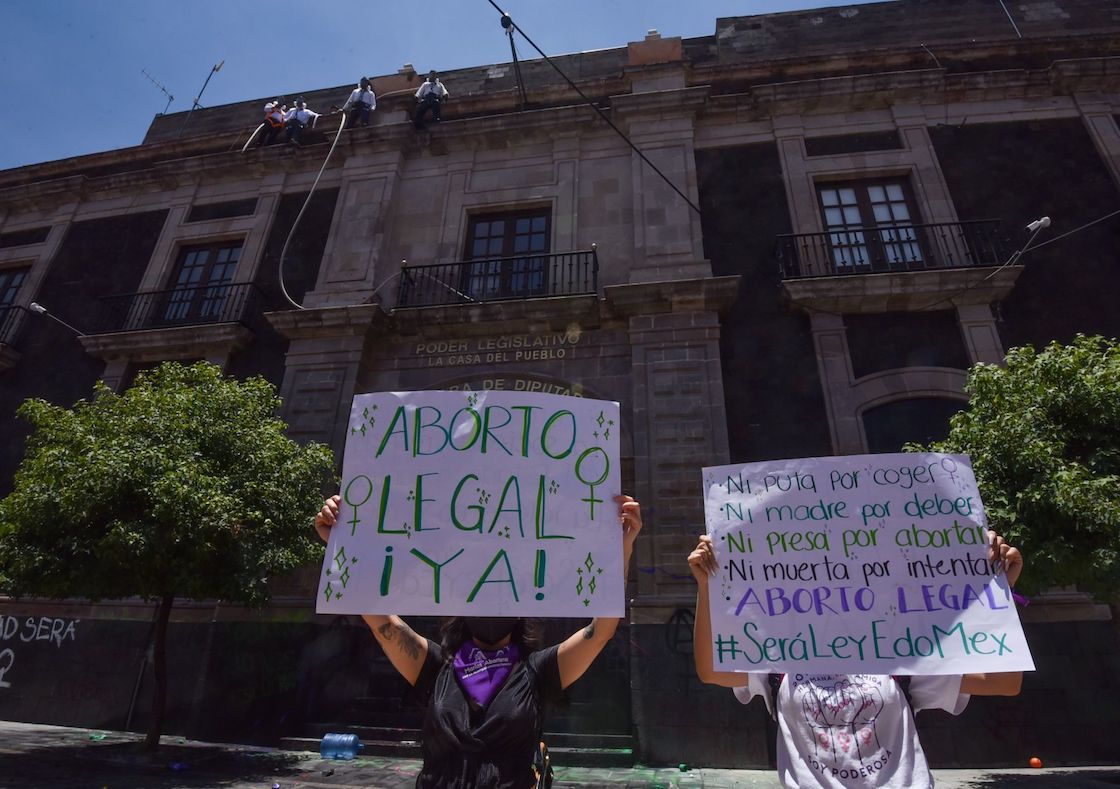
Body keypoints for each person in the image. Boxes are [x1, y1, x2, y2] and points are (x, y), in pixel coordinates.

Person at [314, 492, 643, 788]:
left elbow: (599, 632)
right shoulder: (434, 666)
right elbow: (380, 621)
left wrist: (621, 550)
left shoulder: (537, 671)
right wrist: (342, 544)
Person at [688, 531, 1024, 788]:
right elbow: (711, 670)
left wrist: (998, 589)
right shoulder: (778, 660)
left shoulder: (899, 652)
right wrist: (707, 586)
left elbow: (1004, 683)